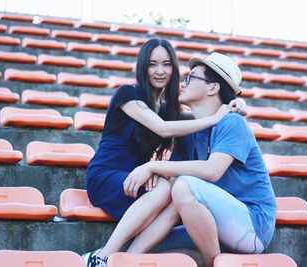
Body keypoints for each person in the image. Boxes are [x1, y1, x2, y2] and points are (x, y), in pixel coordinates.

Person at [83, 39, 247, 267]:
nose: (160, 71)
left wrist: (236, 104)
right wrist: (215, 117)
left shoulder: (170, 109)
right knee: (165, 188)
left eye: (167, 64)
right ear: (143, 67)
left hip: (138, 179)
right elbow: (162, 127)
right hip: (106, 176)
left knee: (177, 192)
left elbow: (200, 118)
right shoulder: (128, 94)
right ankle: (101, 256)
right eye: (152, 64)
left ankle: (129, 258)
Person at [121, 52, 277, 267]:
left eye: (191, 78)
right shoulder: (190, 131)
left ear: (213, 88)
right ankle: (125, 260)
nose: (183, 84)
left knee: (185, 186)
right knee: (152, 243)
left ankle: (213, 264)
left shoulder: (233, 123)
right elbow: (172, 182)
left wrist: (152, 165)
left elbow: (213, 170)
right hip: (213, 219)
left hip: (252, 226)